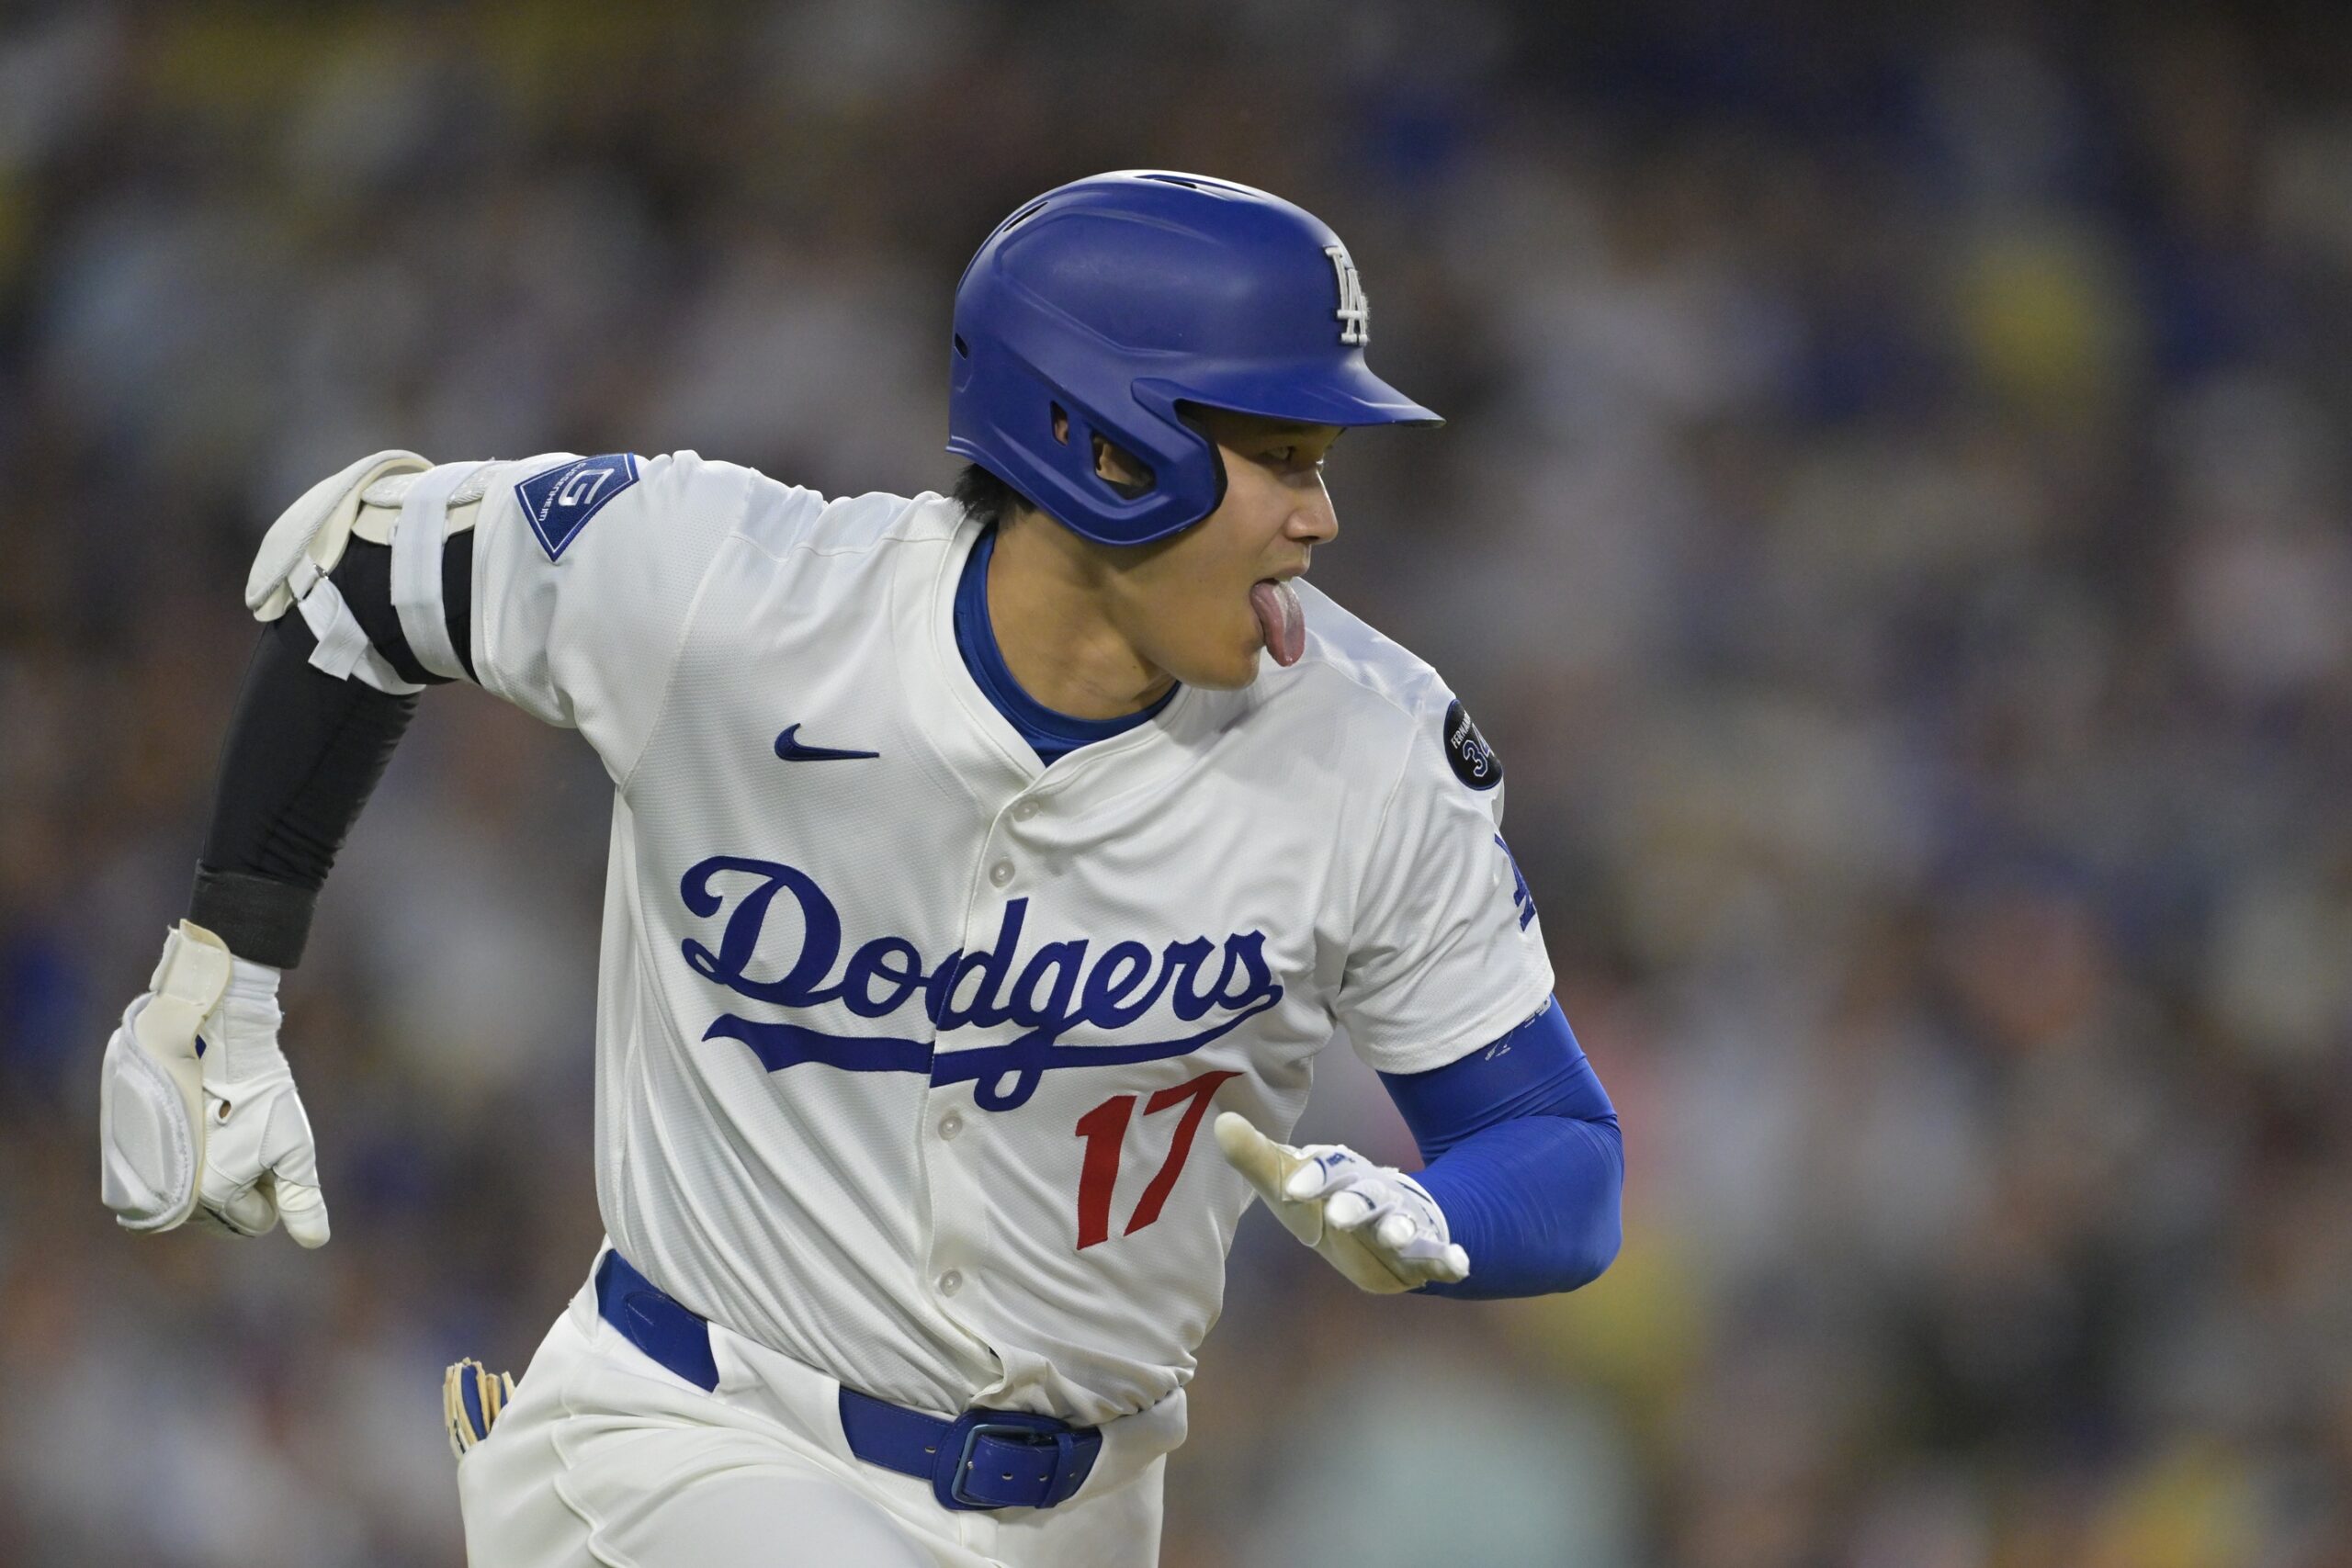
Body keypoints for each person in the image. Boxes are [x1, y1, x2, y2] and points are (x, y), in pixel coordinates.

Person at [95, 170, 1625, 1567]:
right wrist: (219, 982)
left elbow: (1557, 1147)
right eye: (1280, 455)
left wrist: (1448, 1221)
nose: (1321, 515)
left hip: (1087, 1511)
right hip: (686, 1444)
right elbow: (355, 572)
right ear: (1102, 446)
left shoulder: (1371, 747)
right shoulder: (730, 592)